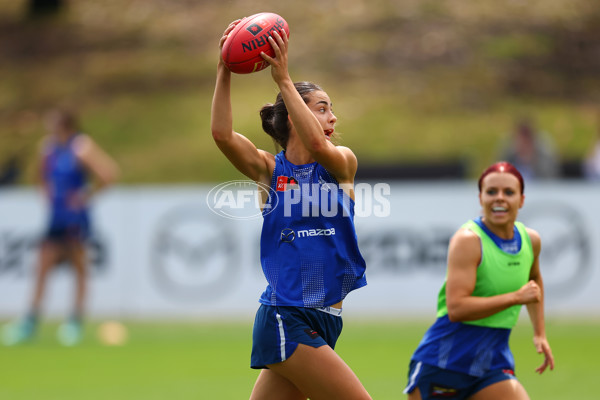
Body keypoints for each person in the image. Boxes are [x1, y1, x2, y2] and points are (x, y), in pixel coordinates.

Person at [211, 20, 371, 400]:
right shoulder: (270, 170)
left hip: (327, 319)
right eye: (322, 108)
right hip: (286, 316)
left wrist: (283, 79)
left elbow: (317, 147)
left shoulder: (340, 163)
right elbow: (221, 135)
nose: (333, 117)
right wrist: (224, 69)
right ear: (293, 116)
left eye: (332, 109)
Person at [403, 161, 554, 400]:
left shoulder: (530, 241)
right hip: (445, 362)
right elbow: (457, 308)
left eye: (509, 192)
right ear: (480, 198)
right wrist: (515, 298)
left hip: (492, 362)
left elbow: (534, 283)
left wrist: (540, 333)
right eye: (491, 192)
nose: (499, 198)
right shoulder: (469, 240)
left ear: (522, 200)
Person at [2, 108, 119, 346]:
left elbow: (108, 174)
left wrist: (85, 197)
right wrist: (47, 196)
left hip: (75, 219)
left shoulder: (81, 146)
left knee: (79, 267)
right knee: (42, 265)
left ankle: (74, 322)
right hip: (55, 218)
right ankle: (30, 321)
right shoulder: (48, 148)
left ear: (66, 124)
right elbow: (39, 177)